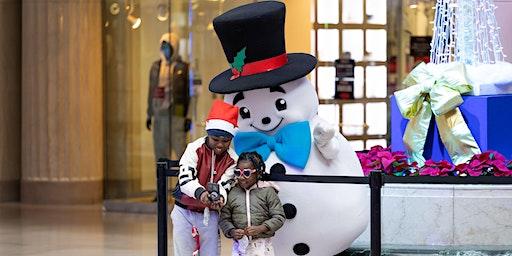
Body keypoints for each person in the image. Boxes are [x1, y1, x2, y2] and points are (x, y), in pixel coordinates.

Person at [171, 99, 239, 256]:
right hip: (183, 210)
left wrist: (220, 197)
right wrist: (201, 193)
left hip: (210, 214)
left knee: (211, 253)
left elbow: (226, 185)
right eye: (216, 139)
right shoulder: (194, 149)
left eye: (226, 141)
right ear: (208, 133)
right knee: (183, 252)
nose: (220, 145)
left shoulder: (233, 160)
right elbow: (186, 179)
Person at [220, 152, 285, 256]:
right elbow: (224, 219)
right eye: (237, 173)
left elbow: (279, 217)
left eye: (246, 173)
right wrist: (231, 231)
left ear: (258, 173)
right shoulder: (232, 193)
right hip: (240, 246)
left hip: (262, 246)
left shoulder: (267, 191)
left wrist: (261, 228)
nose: (241, 177)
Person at [146, 32, 191, 161]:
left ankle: (183, 179)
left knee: (181, 151)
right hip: (159, 115)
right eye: (163, 48)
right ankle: (161, 180)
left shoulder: (183, 68)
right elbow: (151, 91)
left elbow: (190, 95)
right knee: (161, 152)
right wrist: (149, 114)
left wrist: (188, 117)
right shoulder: (156, 67)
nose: (165, 51)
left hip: (177, 115)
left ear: (175, 47)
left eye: (168, 47)